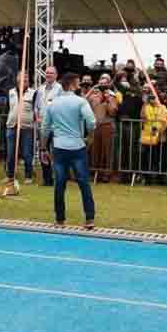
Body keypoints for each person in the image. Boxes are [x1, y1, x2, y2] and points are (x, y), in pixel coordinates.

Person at [40, 72, 97, 228]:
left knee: (59, 184)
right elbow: (91, 122)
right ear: (72, 85)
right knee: (84, 183)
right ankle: (89, 218)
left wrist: (43, 148)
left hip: (59, 147)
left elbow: (45, 128)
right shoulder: (81, 102)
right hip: (77, 146)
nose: (79, 86)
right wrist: (90, 137)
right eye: (78, 83)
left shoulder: (52, 103)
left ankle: (60, 219)